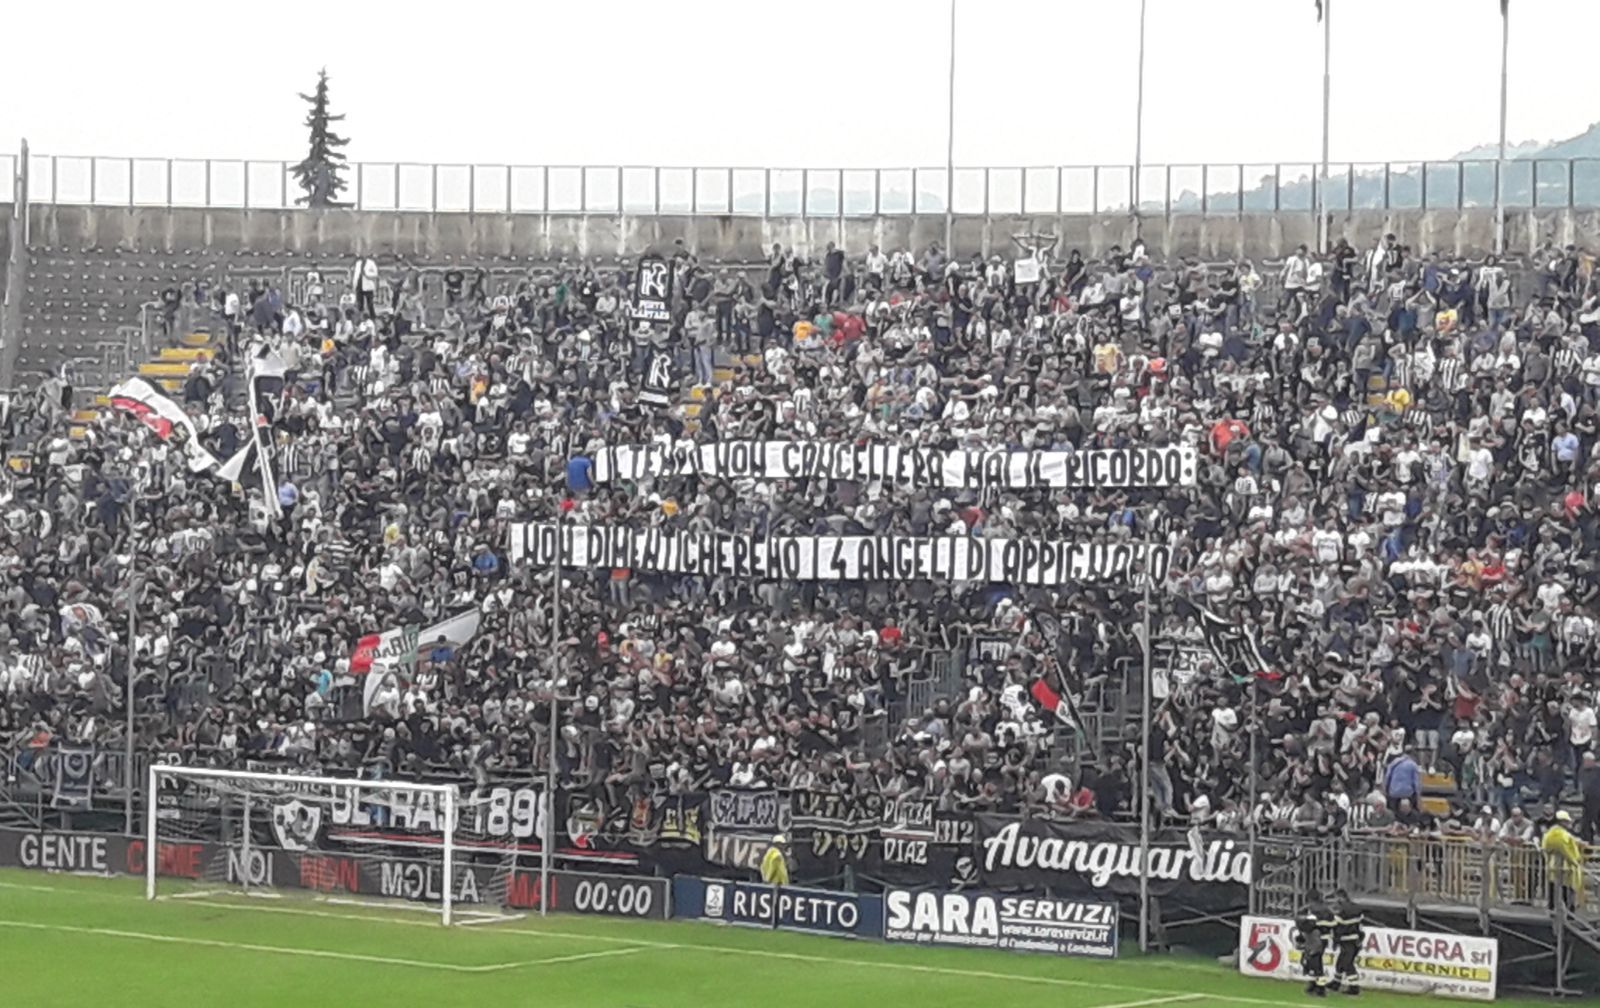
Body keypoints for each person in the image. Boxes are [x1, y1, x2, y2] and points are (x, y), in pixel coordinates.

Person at [1540, 810, 1584, 910]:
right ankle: (1569, 911)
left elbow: (1544, 848)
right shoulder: (1563, 835)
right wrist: (1575, 862)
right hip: (1566, 866)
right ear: (1562, 822)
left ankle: (1552, 908)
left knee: (1553, 888)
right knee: (1567, 889)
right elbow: (1567, 850)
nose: (1569, 824)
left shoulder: (1548, 833)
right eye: (1567, 821)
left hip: (1552, 865)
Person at [1294, 894, 1333, 997]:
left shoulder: (1308, 909)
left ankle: (1320, 988)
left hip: (1314, 939)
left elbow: (1303, 925)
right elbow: (1332, 924)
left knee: (1315, 962)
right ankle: (1314, 984)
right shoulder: (1327, 910)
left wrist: (1302, 936)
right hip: (1323, 938)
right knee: (1314, 961)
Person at [1328, 888, 1364, 995]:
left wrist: (1335, 940)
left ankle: (1354, 987)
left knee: (1347, 963)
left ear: (1340, 897)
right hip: (1356, 939)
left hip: (1346, 939)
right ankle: (1336, 982)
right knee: (1341, 961)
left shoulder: (1341, 911)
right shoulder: (1357, 908)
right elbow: (1360, 925)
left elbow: (1337, 927)